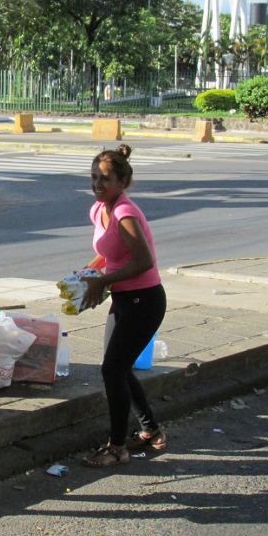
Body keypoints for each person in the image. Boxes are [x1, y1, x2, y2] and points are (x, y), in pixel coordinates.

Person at [79, 144, 167, 468]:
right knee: (116, 367)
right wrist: (89, 272)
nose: (97, 185)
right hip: (124, 298)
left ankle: (117, 447)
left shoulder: (124, 212)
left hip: (144, 301)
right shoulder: (99, 209)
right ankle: (151, 431)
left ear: (122, 182)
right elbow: (109, 251)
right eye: (93, 178)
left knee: (113, 369)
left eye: (104, 179)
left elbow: (145, 260)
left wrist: (103, 281)